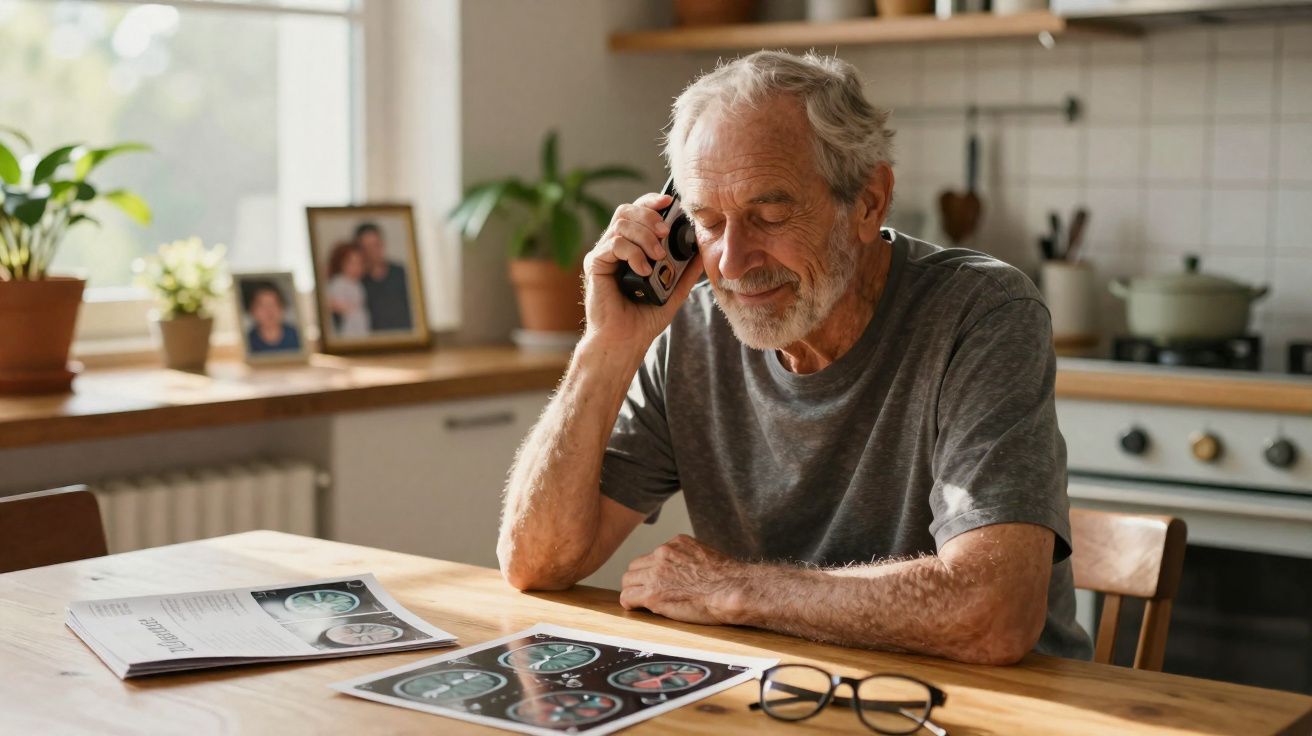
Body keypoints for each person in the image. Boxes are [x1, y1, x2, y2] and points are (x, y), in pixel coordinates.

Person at [496, 50, 1093, 666]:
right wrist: (607, 346)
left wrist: (735, 588)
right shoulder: (691, 330)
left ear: (868, 202)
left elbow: (992, 613)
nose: (731, 262)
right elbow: (537, 563)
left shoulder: (983, 312)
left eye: (770, 215)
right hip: (793, 694)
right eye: (707, 221)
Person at [355, 222, 413, 331]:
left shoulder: (401, 273)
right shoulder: (357, 281)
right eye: (366, 247)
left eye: (376, 245)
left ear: (382, 243)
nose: (372, 252)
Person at [325, 241, 371, 338]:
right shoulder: (338, 282)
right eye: (352, 263)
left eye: (360, 263)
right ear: (341, 264)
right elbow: (332, 303)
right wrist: (349, 309)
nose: (356, 268)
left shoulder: (358, 285)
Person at [244, 281, 301, 353]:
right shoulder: (247, 341)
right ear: (252, 310)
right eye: (263, 306)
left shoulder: (296, 336)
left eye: (273, 304)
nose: (269, 311)